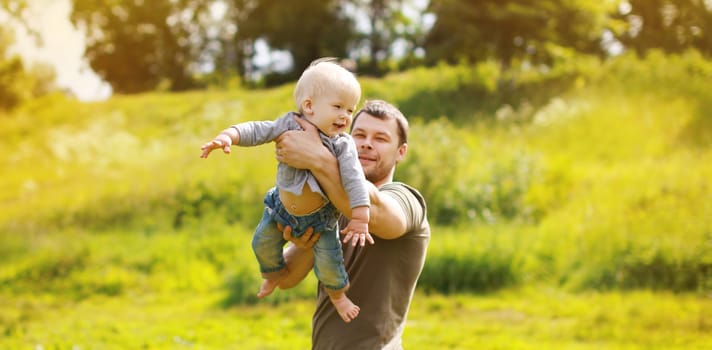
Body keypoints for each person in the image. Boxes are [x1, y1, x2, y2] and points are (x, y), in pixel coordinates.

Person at [199, 58, 374, 323]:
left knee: (329, 263)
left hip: (320, 220)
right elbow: (258, 129)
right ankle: (271, 275)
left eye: (350, 110)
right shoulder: (288, 124)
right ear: (309, 106)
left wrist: (360, 217)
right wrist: (229, 135)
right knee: (262, 243)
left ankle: (339, 297)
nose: (345, 116)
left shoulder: (342, 145)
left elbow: (354, 180)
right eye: (338, 107)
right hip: (279, 210)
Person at [274, 99, 430, 349]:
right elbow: (284, 278)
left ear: (401, 152)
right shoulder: (330, 206)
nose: (367, 143)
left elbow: (376, 207)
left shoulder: (406, 199)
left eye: (380, 138)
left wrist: (319, 158)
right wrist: (305, 243)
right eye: (359, 134)